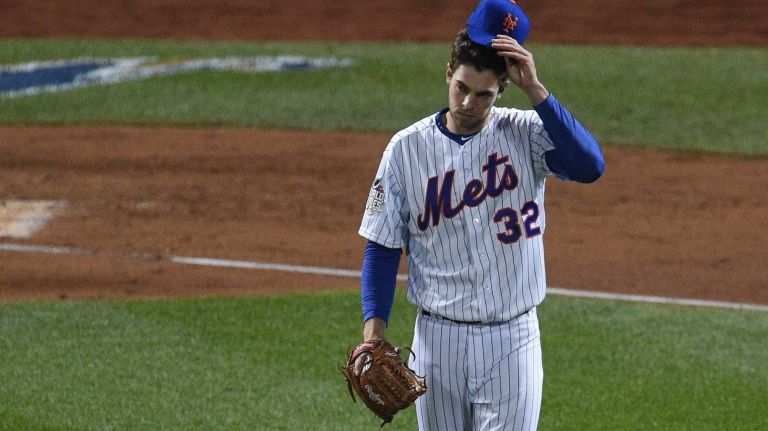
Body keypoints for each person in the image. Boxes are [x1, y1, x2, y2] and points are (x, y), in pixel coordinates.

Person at [355, 1, 605, 429]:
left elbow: (590, 166)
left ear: (503, 88)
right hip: (437, 341)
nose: (468, 103)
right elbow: (381, 248)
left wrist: (538, 91)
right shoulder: (405, 149)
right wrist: (373, 333)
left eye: (483, 94)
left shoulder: (526, 133)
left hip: (512, 339)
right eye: (461, 88)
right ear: (448, 72)